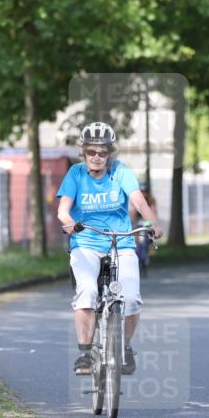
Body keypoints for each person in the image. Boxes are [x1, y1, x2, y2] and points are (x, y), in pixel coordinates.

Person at [56, 122, 161, 376]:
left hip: (121, 242)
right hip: (86, 243)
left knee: (132, 299)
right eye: (91, 152)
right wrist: (69, 223)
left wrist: (151, 222)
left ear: (110, 153)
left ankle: (124, 347)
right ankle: (84, 354)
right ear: (83, 152)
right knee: (87, 293)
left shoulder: (120, 171)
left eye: (103, 152)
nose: (97, 157)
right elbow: (63, 209)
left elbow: (137, 198)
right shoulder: (75, 175)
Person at [129, 182, 159, 277]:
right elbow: (132, 216)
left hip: (147, 223)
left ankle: (148, 253)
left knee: (148, 239)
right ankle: (138, 259)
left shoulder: (151, 200)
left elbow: (154, 214)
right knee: (136, 240)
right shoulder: (135, 200)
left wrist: (153, 224)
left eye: (145, 191)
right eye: (142, 191)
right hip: (138, 223)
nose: (144, 193)